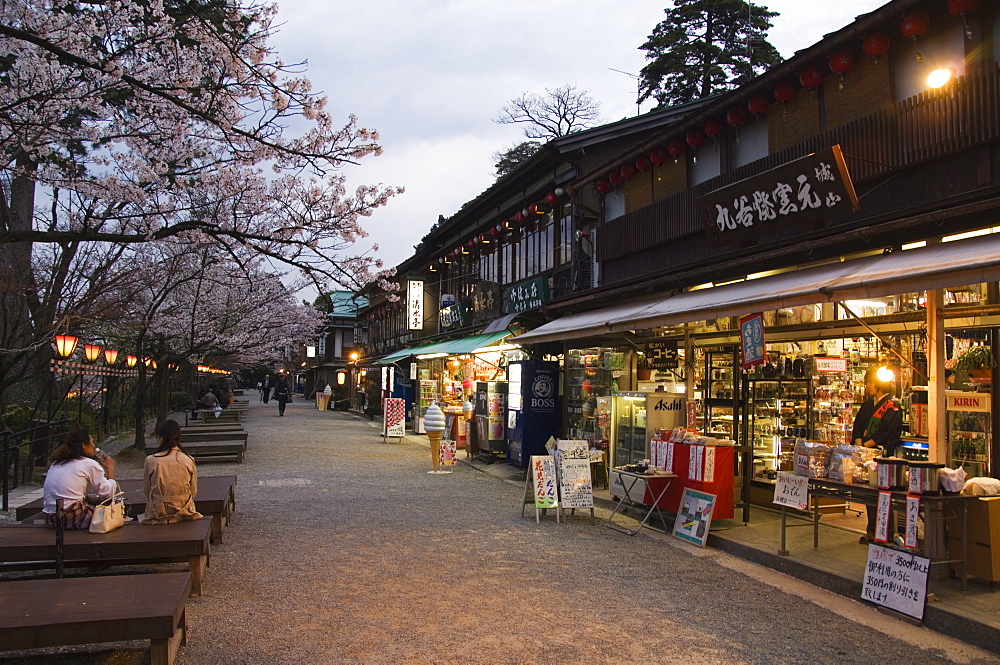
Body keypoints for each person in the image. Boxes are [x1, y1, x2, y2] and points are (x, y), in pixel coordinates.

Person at [852, 366, 903, 544]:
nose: (867, 386)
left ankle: (885, 532)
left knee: (883, 494)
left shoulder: (892, 406)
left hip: (882, 454)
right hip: (865, 455)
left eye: (870, 382)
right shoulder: (867, 405)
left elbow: (888, 431)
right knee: (869, 494)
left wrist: (867, 444)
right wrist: (859, 442)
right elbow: (857, 425)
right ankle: (872, 529)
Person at [42, 428, 117, 530]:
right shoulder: (88, 463)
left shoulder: (56, 463)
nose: (94, 446)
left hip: (51, 518)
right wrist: (110, 468)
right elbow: (108, 492)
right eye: (92, 442)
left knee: (89, 499)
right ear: (84, 446)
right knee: (109, 515)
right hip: (71, 517)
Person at [141, 419, 202, 524]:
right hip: (185, 509)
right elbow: (193, 490)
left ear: (160, 438)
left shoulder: (151, 460)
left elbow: (147, 489)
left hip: (158, 511)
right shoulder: (188, 459)